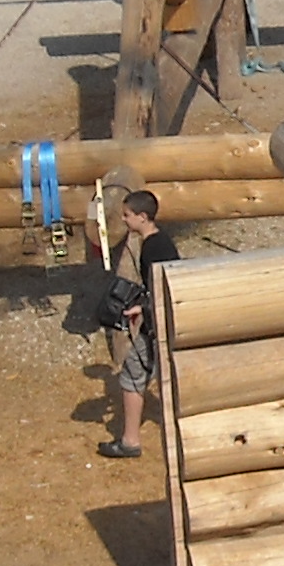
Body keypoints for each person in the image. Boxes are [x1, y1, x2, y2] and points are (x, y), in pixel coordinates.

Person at [93, 187, 178, 459]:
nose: (125, 221)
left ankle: (130, 441)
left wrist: (142, 308)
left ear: (143, 217)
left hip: (156, 323)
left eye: (128, 216)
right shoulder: (158, 241)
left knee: (132, 374)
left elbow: (166, 285)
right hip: (159, 319)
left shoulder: (154, 247)